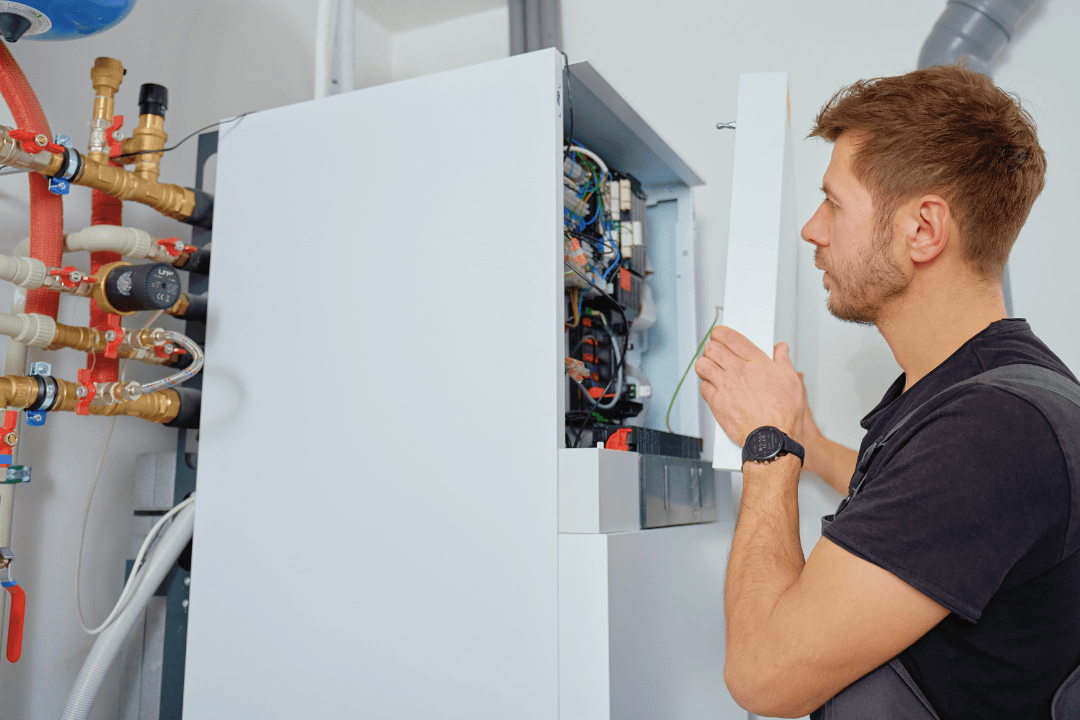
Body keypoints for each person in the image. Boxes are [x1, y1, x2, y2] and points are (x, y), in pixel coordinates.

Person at [695, 63, 1080, 720]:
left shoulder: (988, 432)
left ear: (923, 230)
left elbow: (761, 678)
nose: (812, 228)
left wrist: (770, 445)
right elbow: (926, 512)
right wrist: (815, 447)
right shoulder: (1000, 393)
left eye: (834, 202)